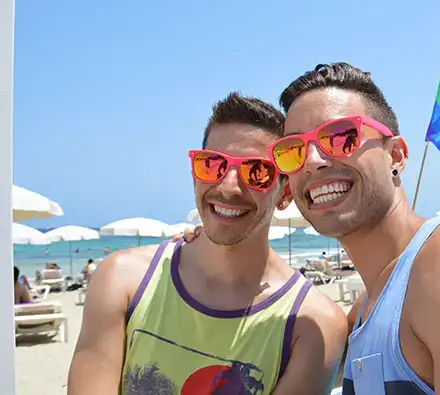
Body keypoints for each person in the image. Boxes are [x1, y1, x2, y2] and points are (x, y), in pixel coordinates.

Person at [181, 63, 440, 393]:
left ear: (396, 155)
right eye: (293, 149)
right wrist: (206, 249)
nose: (312, 161)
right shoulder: (369, 304)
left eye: (340, 137)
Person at [68, 93, 347, 395]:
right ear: (194, 174)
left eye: (257, 171)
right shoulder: (123, 280)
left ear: (284, 194)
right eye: (212, 164)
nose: (227, 187)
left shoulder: (311, 325)